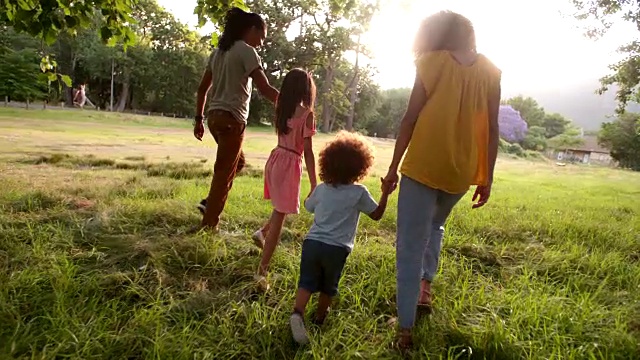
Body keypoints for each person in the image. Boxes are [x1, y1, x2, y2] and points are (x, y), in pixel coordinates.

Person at [381, 11, 501, 349]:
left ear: (434, 34)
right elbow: (491, 129)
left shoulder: (432, 63)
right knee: (435, 226)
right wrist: (486, 176)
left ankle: (404, 331)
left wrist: (392, 170)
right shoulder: (491, 70)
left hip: (423, 165)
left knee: (409, 245)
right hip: (461, 171)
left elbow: (409, 119)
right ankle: (424, 288)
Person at [288, 132, 394, 345]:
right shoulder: (359, 192)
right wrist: (385, 193)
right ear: (360, 167)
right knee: (328, 286)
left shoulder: (321, 189)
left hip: (312, 244)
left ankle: (297, 313)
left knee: (306, 281)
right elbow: (376, 215)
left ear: (327, 163)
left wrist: (315, 191)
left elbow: (308, 207)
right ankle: (319, 320)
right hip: (336, 249)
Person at [193, 7, 279, 231]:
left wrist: (199, 119)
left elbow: (202, 90)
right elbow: (265, 88)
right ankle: (208, 225)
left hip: (214, 118)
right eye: (261, 36)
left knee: (236, 164)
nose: (260, 43)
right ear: (251, 29)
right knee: (223, 173)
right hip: (232, 120)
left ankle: (209, 204)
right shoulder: (246, 51)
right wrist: (293, 104)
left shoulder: (218, 53)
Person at [252, 69, 318, 290]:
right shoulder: (306, 114)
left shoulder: (282, 107)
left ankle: (261, 232)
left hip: (276, 158)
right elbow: (307, 151)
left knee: (280, 209)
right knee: (280, 215)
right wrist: (314, 182)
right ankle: (262, 270)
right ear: (306, 89)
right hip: (290, 164)